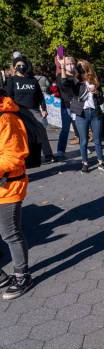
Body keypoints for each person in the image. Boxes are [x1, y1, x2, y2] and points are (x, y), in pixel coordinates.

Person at [0, 89, 32, 299]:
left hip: (8, 186)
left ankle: (22, 276)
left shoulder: (8, 119)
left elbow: (14, 156)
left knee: (10, 233)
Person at [4, 56, 56, 164]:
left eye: (23, 65)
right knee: (24, 134)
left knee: (41, 130)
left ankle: (48, 155)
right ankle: (27, 158)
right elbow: (8, 97)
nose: (21, 67)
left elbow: (40, 96)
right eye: (18, 65)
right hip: (18, 111)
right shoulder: (12, 80)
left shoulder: (32, 80)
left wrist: (44, 108)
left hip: (34, 110)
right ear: (14, 67)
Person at [72, 60, 104, 173]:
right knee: (83, 141)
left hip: (95, 113)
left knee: (97, 140)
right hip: (82, 113)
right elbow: (67, 85)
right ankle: (85, 163)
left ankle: (101, 162)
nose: (81, 68)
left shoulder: (94, 80)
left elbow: (102, 100)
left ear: (87, 67)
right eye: (78, 66)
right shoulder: (76, 81)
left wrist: (97, 93)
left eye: (82, 66)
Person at [57, 56, 81, 158]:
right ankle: (60, 150)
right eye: (67, 64)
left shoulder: (77, 76)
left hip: (77, 104)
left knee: (80, 127)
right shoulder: (60, 76)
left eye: (72, 63)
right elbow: (63, 83)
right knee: (65, 129)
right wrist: (62, 67)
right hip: (66, 105)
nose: (70, 66)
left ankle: (83, 147)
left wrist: (76, 75)